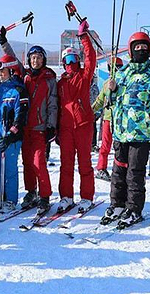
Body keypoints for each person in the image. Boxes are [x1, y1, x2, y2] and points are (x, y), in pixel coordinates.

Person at [100, 32, 150, 228]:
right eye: (136, 47)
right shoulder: (122, 74)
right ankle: (117, 204)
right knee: (118, 171)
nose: (140, 50)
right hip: (121, 132)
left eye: (144, 47)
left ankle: (134, 209)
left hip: (142, 133)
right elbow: (112, 103)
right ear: (131, 50)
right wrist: (111, 91)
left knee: (134, 172)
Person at [0, 27, 58, 215]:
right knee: (26, 163)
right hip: (25, 128)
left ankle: (45, 196)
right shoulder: (25, 76)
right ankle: (31, 192)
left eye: (39, 57)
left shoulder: (49, 79)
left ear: (44, 60)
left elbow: (53, 104)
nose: (35, 60)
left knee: (39, 163)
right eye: (33, 57)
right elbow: (12, 59)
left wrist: (51, 126)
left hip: (40, 128)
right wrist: (3, 42)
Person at [56, 19, 98, 213]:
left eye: (73, 60)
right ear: (63, 63)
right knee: (66, 164)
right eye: (67, 61)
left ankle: (87, 197)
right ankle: (66, 196)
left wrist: (83, 37)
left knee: (84, 163)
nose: (71, 64)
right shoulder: (60, 83)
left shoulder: (84, 76)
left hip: (83, 124)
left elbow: (91, 58)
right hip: (65, 128)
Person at [0, 53, 29, 211]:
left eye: (3, 71)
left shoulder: (19, 90)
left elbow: (21, 116)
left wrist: (12, 134)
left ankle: (11, 198)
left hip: (11, 137)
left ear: (11, 71)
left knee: (10, 168)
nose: (0, 74)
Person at [92, 57, 123, 181]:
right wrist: (90, 111)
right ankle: (101, 168)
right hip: (108, 119)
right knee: (105, 145)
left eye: (117, 68)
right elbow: (100, 100)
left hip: (121, 119)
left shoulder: (125, 83)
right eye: (112, 69)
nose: (114, 71)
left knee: (120, 146)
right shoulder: (106, 84)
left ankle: (120, 169)